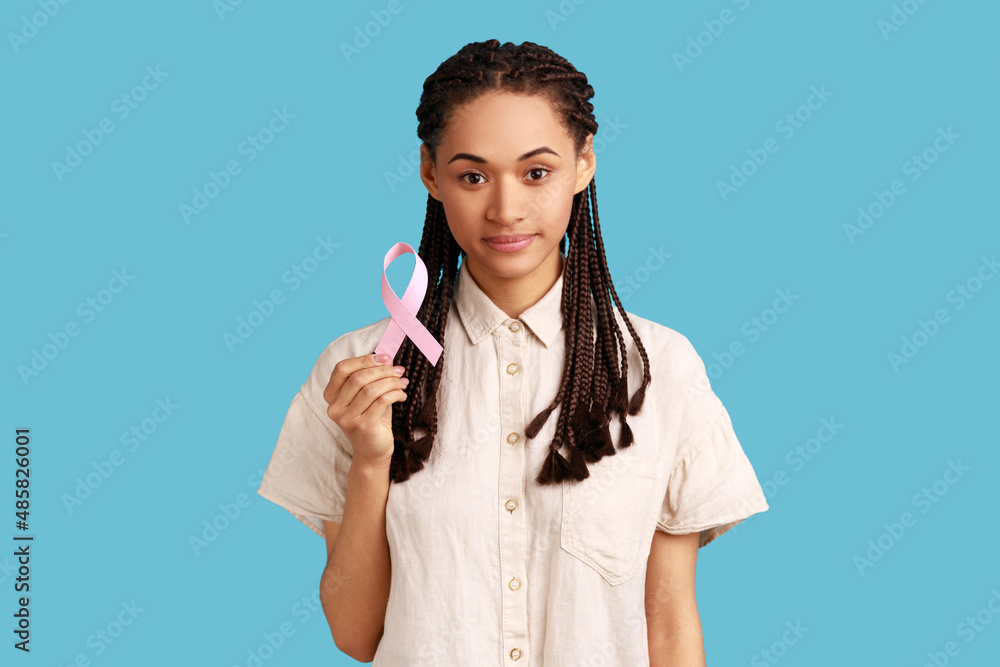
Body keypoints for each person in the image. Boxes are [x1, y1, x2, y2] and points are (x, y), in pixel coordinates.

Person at [256, 38, 769, 666]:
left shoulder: (659, 369)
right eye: (472, 175)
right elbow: (356, 635)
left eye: (536, 172)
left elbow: (669, 629)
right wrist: (371, 462)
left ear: (584, 164)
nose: (505, 209)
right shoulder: (361, 369)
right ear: (429, 172)